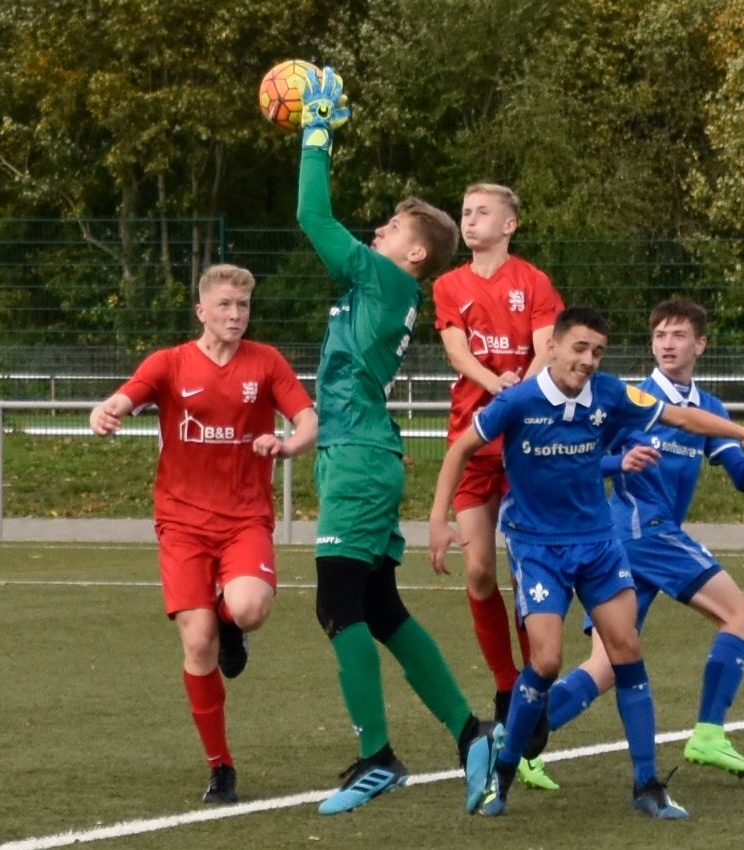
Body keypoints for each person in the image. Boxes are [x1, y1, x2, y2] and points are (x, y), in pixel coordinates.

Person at [428, 306, 744, 818]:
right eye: (579, 348)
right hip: (538, 545)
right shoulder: (518, 400)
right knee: (546, 661)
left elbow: (682, 418)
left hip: (599, 543)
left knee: (624, 652)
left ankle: (647, 784)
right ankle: (505, 767)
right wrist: (438, 519)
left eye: (598, 351)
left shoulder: (611, 393)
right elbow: (460, 450)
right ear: (553, 347)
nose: (588, 360)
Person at [294, 66, 502, 816]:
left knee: (337, 605)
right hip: (360, 453)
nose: (377, 232)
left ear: (415, 255)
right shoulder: (384, 286)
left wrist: (315, 134)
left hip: (357, 457)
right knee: (379, 607)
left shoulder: (386, 282)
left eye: (390, 228)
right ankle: (471, 733)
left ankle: (377, 757)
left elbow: (312, 217)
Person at [89, 263, 317, 804]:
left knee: (249, 609)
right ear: (201, 311)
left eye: (243, 306)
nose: (236, 315)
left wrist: (287, 445)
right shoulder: (169, 363)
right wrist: (107, 410)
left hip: (244, 518)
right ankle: (221, 767)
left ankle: (230, 623)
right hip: (182, 522)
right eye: (225, 305)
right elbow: (127, 396)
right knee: (197, 643)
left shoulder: (266, 362)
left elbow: (308, 418)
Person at [549, 297, 744, 777]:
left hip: (635, 542)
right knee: (741, 616)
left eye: (678, 335)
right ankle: (708, 734)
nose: (667, 344)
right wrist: (619, 462)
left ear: (701, 345)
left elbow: (743, 480)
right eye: (659, 335)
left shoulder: (709, 409)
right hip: (639, 532)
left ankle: (518, 741)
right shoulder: (632, 400)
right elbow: (579, 458)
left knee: (606, 666)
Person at [432, 183, 564, 791]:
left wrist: (521, 393)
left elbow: (546, 350)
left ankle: (534, 684)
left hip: (525, 444)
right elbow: (458, 352)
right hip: (473, 439)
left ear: (510, 223)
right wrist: (496, 386)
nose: (470, 220)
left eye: (482, 212)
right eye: (465, 212)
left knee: (525, 571)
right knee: (480, 571)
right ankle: (507, 684)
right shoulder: (449, 284)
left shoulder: (533, 281)